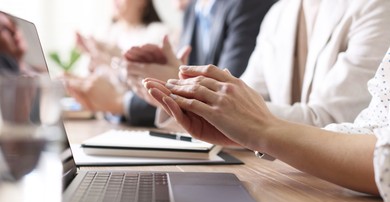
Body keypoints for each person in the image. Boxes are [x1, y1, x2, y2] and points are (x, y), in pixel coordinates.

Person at [142, 43, 390, 202]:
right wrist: (248, 131)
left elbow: (383, 155)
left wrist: (264, 130)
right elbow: (371, 128)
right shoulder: (278, 12)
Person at [137, 0, 390, 131]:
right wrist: (177, 88)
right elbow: (246, 97)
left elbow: (332, 123)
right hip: (283, 177)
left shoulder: (375, 7)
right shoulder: (278, 13)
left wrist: (192, 96)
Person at [67, 0, 275, 126]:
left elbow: (227, 97)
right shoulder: (193, 11)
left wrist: (120, 101)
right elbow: (178, 78)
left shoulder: (246, 5)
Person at [66, 0, 172, 125]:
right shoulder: (105, 32)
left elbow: (152, 85)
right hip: (105, 120)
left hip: (137, 121)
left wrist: (113, 57)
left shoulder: (159, 33)